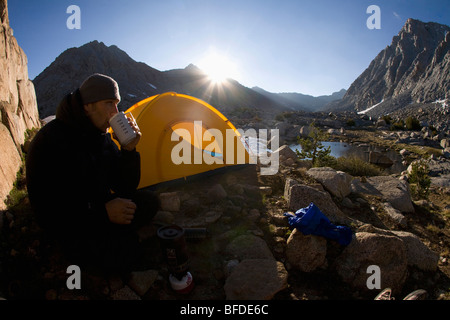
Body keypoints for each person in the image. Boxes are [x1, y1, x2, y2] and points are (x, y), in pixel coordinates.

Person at [26, 73, 159, 274]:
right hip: (74, 223)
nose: (116, 112)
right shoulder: (50, 141)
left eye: (117, 104)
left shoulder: (102, 137)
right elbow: (48, 211)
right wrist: (102, 213)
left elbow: (125, 186)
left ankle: (120, 237)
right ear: (88, 106)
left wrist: (129, 150)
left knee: (150, 202)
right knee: (125, 256)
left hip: (101, 208)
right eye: (109, 103)